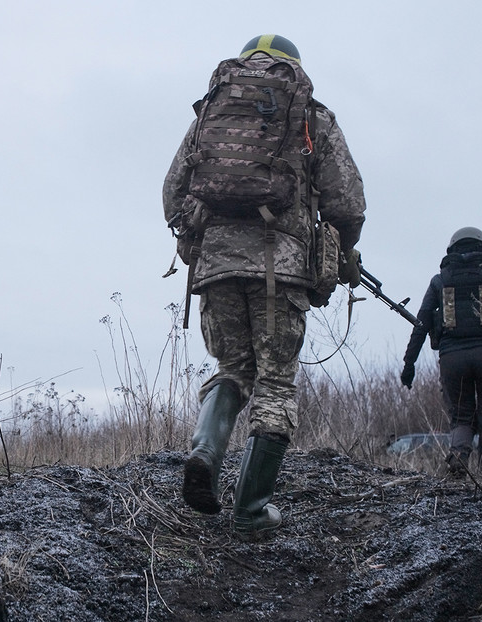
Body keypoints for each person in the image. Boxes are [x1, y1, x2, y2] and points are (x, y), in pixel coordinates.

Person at [163, 34, 366, 539]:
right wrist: (341, 253)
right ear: (293, 67)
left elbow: (172, 192)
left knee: (232, 368)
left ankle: (205, 453)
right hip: (281, 266)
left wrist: (197, 242)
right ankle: (250, 511)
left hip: (216, 265)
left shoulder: (210, 112)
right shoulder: (311, 117)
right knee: (275, 382)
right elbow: (347, 203)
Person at [400, 228, 482, 478]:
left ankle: (457, 466)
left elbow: (421, 326)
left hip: (453, 359)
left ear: (452, 249)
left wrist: (409, 365)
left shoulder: (439, 281)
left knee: (462, 418)